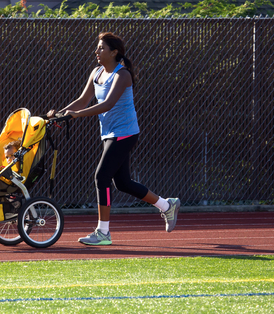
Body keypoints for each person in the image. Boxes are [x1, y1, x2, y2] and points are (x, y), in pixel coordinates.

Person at [47, 32, 180, 246]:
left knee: (101, 177)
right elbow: (83, 100)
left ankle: (103, 233)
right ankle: (167, 205)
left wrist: (77, 115)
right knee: (123, 183)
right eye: (97, 48)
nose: (97, 52)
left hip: (125, 133)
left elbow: (107, 104)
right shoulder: (97, 72)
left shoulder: (123, 75)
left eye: (101, 48)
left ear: (114, 52)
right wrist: (60, 114)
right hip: (109, 133)